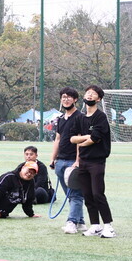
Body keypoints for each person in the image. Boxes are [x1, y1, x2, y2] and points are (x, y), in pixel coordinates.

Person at [70, 85, 114, 238]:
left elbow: (94, 139)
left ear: (99, 99)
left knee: (98, 194)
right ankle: (95, 225)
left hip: (97, 162)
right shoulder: (80, 117)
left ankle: (108, 226)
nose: (89, 95)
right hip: (83, 162)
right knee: (87, 194)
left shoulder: (100, 117)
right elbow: (72, 138)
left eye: (93, 94)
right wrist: (84, 138)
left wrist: (81, 141)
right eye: (87, 93)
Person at [50, 87, 87, 234]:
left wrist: (78, 161)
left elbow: (80, 140)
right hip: (60, 161)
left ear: (75, 99)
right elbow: (57, 139)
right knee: (71, 195)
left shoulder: (80, 117)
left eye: (69, 97)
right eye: (63, 97)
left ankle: (71, 222)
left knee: (76, 194)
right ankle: (81, 222)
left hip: (73, 161)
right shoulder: (60, 119)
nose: (66, 99)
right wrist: (53, 159)